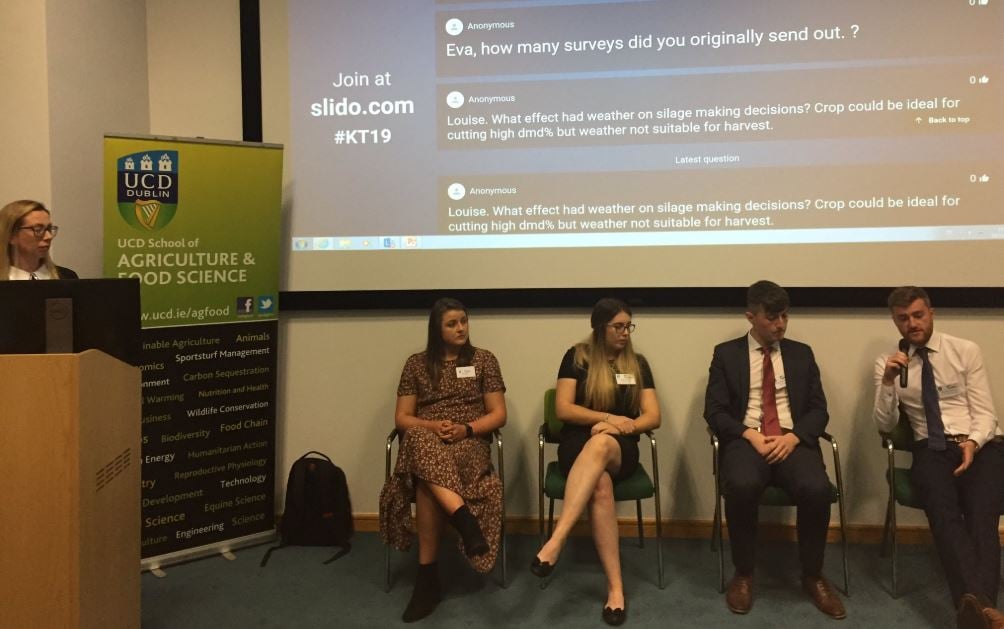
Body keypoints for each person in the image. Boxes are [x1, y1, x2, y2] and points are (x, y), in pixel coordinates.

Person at [703, 280, 845, 619]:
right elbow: (715, 410)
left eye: (784, 316)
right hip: (746, 440)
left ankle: (812, 574)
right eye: (772, 317)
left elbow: (818, 409)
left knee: (816, 489)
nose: (780, 324)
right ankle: (744, 573)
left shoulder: (801, 353)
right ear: (751, 316)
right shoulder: (726, 354)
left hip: (790, 439)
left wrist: (794, 437)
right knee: (741, 485)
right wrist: (748, 434)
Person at [873, 286, 1004, 629]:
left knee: (981, 516)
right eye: (903, 319)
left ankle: (975, 607)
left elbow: (987, 413)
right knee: (943, 515)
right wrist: (887, 384)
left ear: (931, 313)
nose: (912, 324)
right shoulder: (890, 364)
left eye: (918, 315)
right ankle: (985, 610)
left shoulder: (964, 351)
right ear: (895, 322)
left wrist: (973, 443)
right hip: (930, 449)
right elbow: (885, 425)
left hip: (981, 444)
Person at [532, 298, 661, 627]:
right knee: (600, 485)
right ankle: (616, 590)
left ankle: (556, 540)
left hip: (622, 448)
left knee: (603, 443)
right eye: (618, 326)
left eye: (628, 326)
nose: (625, 333)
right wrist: (609, 417)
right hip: (576, 443)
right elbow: (563, 409)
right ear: (599, 327)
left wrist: (621, 426)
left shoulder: (638, 363)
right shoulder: (577, 357)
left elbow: (653, 415)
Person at [379, 298, 507, 623]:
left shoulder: (484, 360)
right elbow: (403, 419)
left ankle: (427, 580)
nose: (461, 328)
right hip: (427, 439)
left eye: (463, 321)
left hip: (469, 443)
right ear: (437, 329)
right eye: (452, 323)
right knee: (419, 439)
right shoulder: (416, 364)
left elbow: (498, 414)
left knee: (426, 480)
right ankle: (465, 521)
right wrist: (433, 426)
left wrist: (466, 429)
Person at [1, 199, 77, 280]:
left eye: (49, 228)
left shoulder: (67, 278)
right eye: (38, 230)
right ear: (11, 235)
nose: (48, 236)